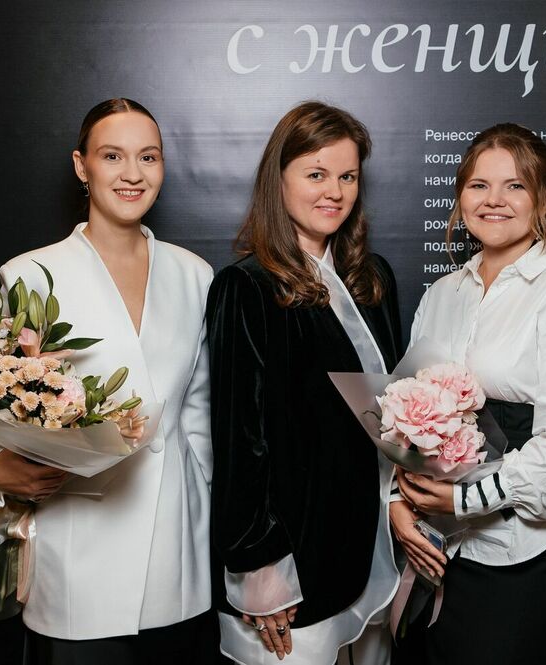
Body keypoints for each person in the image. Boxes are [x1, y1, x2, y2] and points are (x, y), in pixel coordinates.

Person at [0, 98, 219, 664]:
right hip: (78, 544)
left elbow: (200, 413)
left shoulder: (194, 274)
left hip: (178, 548)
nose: (133, 173)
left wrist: (207, 507)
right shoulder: (30, 274)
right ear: (82, 166)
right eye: (113, 156)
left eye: (148, 157)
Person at [390, 123, 546, 664]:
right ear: (460, 197)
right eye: (479, 185)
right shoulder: (442, 294)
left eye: (515, 186)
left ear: (544, 200)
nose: (493, 200)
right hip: (440, 547)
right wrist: (398, 505)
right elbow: (401, 417)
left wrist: (463, 500)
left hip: (529, 551)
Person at [205, 101, 402, 665]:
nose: (334, 191)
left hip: (368, 541)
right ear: (280, 179)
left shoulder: (372, 279)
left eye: (348, 177)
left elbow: (391, 411)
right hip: (292, 563)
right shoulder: (247, 287)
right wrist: (259, 568)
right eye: (316, 174)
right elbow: (241, 441)